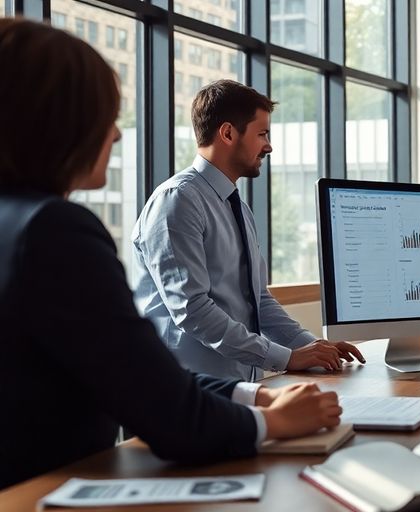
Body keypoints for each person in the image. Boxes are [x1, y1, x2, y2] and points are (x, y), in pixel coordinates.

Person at [0, 19, 340, 489]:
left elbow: (128, 373)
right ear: (58, 121)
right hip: (52, 489)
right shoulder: (53, 231)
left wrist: (261, 390)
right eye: (105, 117)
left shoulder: (20, 223)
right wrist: (274, 419)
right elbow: (161, 392)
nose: (116, 137)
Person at [132, 80, 364, 381]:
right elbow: (193, 310)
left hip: (238, 388)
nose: (268, 146)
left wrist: (312, 347)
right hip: (186, 394)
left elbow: (258, 299)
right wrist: (287, 357)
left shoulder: (236, 206)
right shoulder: (177, 201)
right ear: (228, 133)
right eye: (262, 134)